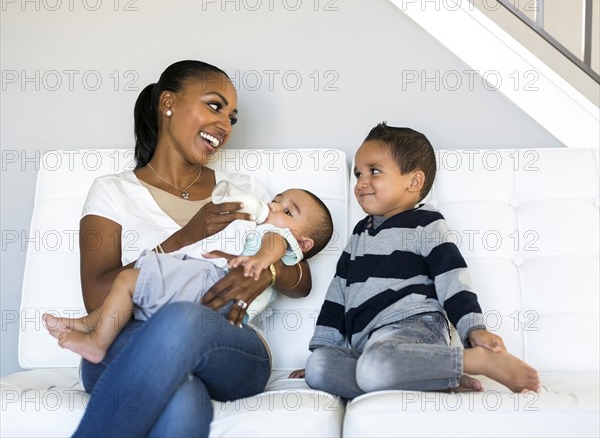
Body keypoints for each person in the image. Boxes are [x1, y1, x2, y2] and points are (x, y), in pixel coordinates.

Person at [64, 60, 318, 437]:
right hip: (128, 338)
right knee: (182, 397)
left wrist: (269, 271)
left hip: (230, 345)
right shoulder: (112, 191)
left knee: (183, 319)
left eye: (233, 118)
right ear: (168, 103)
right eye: (215, 106)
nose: (225, 125)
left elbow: (301, 280)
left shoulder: (242, 189)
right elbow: (97, 298)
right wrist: (184, 236)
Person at [299, 123, 541, 399]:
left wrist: (474, 328)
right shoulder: (359, 234)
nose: (361, 182)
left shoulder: (427, 224)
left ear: (413, 181)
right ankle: (433, 376)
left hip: (413, 328)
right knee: (317, 369)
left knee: (374, 366)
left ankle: (477, 362)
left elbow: (453, 278)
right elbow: (337, 294)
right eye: (358, 174)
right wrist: (323, 347)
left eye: (374, 171)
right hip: (368, 346)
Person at [44, 187, 333, 365]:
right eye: (275, 200)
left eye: (286, 210)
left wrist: (259, 265)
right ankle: (91, 325)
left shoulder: (277, 236)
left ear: (303, 243)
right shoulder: (265, 226)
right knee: (136, 294)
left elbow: (275, 245)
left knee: (129, 281)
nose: (271, 207)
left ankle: (96, 340)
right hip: (213, 297)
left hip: (214, 284)